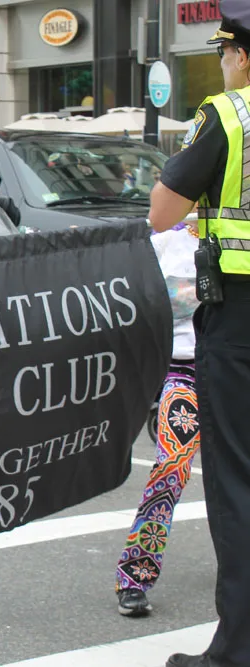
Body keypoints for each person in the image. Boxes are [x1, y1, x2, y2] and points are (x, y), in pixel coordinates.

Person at [147, 3, 250, 665]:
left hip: (240, 317)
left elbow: (162, 212)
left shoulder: (228, 114)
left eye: (223, 52)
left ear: (240, 54)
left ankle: (237, 649)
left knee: (238, 483)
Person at [114, 223, 199, 618]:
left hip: (234, 368)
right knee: (171, 467)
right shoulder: (162, 242)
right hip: (184, 372)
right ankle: (135, 576)